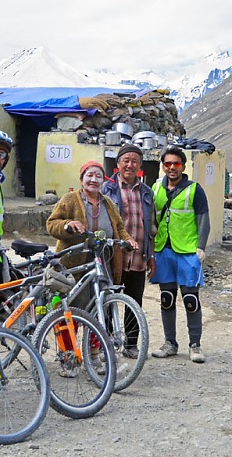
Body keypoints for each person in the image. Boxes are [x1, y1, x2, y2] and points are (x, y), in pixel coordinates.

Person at [46, 160, 138, 374]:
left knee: (98, 310)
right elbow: (52, 223)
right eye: (90, 175)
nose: (94, 179)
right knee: (72, 310)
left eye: (98, 176)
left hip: (101, 266)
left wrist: (127, 240)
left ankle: (93, 355)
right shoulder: (70, 200)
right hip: (73, 266)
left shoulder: (108, 204)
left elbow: (119, 228)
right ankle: (68, 357)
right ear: (82, 178)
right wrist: (68, 226)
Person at [149, 145, 210, 363]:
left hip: (187, 251)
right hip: (163, 249)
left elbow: (203, 218)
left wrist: (201, 247)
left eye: (176, 164)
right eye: (168, 164)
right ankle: (170, 343)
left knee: (191, 299)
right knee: (166, 298)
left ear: (183, 166)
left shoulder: (195, 189)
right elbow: (150, 217)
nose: (172, 167)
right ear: (163, 167)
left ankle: (195, 345)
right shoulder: (155, 188)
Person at [101, 144, 156, 359]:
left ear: (140, 165)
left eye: (135, 161)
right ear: (118, 164)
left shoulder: (147, 192)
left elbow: (150, 226)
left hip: (139, 256)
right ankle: (106, 343)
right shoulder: (107, 189)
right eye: (126, 160)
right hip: (113, 256)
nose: (130, 165)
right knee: (108, 300)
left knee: (135, 301)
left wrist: (151, 256)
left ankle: (131, 344)